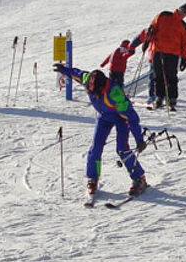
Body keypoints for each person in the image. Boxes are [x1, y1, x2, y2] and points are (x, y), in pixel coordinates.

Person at [52, 64, 148, 197]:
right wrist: (63, 69)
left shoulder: (114, 94)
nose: (89, 93)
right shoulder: (87, 79)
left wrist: (139, 139)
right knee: (95, 148)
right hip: (104, 117)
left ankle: (139, 178)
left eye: (92, 91)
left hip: (121, 118)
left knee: (122, 149)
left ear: (100, 88)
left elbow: (131, 117)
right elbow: (76, 73)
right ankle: (92, 178)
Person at [146, 2, 186, 111]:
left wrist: (184, 58)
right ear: (179, 8)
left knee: (171, 76)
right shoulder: (163, 15)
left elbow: (185, 44)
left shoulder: (184, 27)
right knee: (158, 75)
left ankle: (172, 98)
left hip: (173, 54)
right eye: (183, 11)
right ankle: (159, 97)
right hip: (158, 50)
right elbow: (153, 27)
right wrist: (148, 37)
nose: (183, 14)